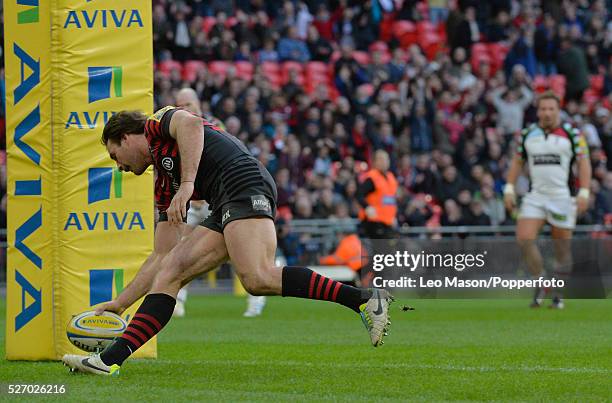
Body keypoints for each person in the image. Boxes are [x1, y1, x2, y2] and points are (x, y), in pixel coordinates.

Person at [62, 106, 393, 376]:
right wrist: (120, 303)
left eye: (114, 154)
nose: (118, 166)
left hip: (242, 180)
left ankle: (363, 299)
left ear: (125, 136)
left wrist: (188, 184)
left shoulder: (156, 123)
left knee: (258, 276)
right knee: (171, 271)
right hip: (226, 200)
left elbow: (191, 124)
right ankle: (109, 361)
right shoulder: (164, 185)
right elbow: (160, 254)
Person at [174, 88, 267, 318]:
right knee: (180, 246)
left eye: (188, 104)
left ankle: (255, 299)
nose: (184, 108)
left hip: (217, 198)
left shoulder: (212, 125)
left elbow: (219, 161)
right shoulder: (175, 130)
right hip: (194, 200)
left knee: (240, 249)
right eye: (180, 105)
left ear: (198, 104)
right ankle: (178, 300)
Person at [503, 91, 591, 309]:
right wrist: (509, 188)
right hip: (536, 196)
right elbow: (517, 161)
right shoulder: (527, 134)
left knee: (562, 248)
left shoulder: (573, 134)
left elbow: (584, 163)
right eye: (543, 109)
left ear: (558, 110)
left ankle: (559, 293)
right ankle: (542, 281)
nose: (547, 113)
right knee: (524, 238)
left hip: (562, 196)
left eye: (551, 109)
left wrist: (584, 192)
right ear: (538, 111)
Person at [357, 150, 398, 239]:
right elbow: (359, 194)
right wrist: (367, 207)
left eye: (386, 159)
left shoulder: (391, 177)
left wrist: (393, 217)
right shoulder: (372, 178)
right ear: (375, 162)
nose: (384, 162)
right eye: (381, 159)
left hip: (388, 222)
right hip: (374, 222)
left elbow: (392, 199)